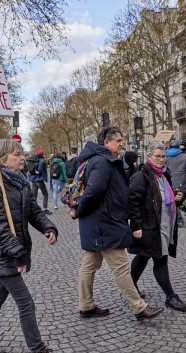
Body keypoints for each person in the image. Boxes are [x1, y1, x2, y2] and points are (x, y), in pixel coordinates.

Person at [0, 139, 69, 353]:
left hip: (14, 252)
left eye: (21, 154)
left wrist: (49, 227)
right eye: (17, 155)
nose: (22, 158)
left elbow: (33, 211)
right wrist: (18, 255)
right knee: (26, 303)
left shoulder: (20, 183)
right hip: (4, 253)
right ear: (3, 160)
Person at [70, 126, 164, 321]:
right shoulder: (102, 161)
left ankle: (86, 305)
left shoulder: (101, 159)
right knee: (121, 266)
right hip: (105, 224)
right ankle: (139, 308)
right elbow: (94, 191)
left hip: (100, 222)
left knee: (90, 264)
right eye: (119, 141)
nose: (122, 144)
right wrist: (79, 211)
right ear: (107, 142)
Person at [129, 142, 186, 312]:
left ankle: (129, 287)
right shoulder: (141, 176)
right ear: (149, 157)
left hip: (164, 223)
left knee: (143, 256)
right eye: (157, 156)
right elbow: (133, 204)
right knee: (160, 259)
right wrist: (136, 226)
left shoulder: (164, 175)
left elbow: (166, 198)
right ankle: (171, 297)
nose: (161, 159)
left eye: (163, 156)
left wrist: (178, 198)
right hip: (150, 226)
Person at [165, 140, 186, 228]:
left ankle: (176, 219)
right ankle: (179, 220)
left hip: (169, 182)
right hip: (181, 182)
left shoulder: (166, 156)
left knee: (173, 200)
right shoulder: (184, 156)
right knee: (178, 198)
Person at [29, 150, 52, 215]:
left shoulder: (34, 159)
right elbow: (41, 168)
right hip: (39, 179)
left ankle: (34, 209)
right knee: (45, 194)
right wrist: (39, 171)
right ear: (42, 154)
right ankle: (45, 209)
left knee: (34, 195)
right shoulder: (41, 159)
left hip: (33, 179)